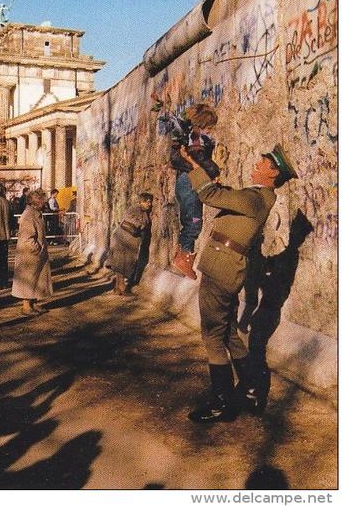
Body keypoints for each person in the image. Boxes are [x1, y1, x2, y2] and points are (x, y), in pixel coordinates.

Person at [181, 143, 298, 423]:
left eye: (262, 164)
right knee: (229, 332)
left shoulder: (257, 198)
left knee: (212, 336)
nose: (256, 165)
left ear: (272, 174)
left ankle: (221, 402)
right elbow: (228, 197)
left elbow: (209, 194)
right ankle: (251, 388)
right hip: (228, 268)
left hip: (221, 268)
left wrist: (192, 165)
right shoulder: (256, 197)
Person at [159, 103, 220, 280]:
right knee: (194, 222)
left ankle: (181, 255)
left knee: (189, 221)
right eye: (209, 128)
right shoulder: (195, 137)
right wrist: (214, 170)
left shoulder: (187, 136)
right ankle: (184, 257)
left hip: (184, 182)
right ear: (201, 125)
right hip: (190, 182)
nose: (211, 131)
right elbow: (198, 157)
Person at [11, 188, 53, 316]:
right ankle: (26, 306)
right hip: (29, 255)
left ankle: (33, 303)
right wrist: (37, 249)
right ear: (37, 201)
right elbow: (27, 237)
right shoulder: (29, 215)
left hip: (34, 254)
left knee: (36, 279)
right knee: (29, 279)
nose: (44, 203)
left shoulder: (35, 213)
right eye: (43, 201)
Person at [106, 193, 153, 295]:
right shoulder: (135, 209)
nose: (149, 204)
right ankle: (122, 288)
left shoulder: (143, 211)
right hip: (123, 241)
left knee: (121, 265)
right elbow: (130, 221)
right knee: (123, 264)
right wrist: (141, 225)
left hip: (126, 241)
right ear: (140, 202)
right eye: (146, 201)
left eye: (150, 201)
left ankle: (118, 288)